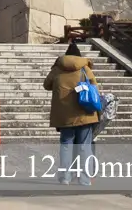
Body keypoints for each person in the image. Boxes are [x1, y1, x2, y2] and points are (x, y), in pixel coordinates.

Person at [42, 42, 100, 186]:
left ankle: (65, 178)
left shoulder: (57, 69)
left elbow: (46, 85)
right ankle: (85, 180)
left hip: (64, 115)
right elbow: (95, 87)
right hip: (84, 114)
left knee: (66, 145)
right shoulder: (85, 68)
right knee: (84, 146)